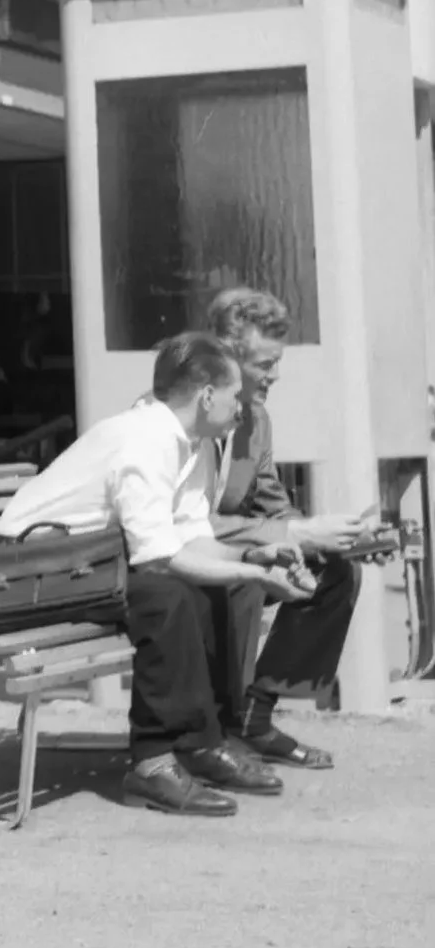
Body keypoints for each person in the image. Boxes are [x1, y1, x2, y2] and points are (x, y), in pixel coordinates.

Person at [0, 333, 317, 817]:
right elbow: (157, 559)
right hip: (22, 571)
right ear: (207, 396)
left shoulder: (190, 444)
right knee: (163, 596)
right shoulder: (145, 438)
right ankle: (153, 761)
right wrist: (253, 573)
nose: (241, 406)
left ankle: (200, 743)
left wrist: (254, 558)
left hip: (81, 564)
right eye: (234, 395)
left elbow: (191, 539)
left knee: (210, 589)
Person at [202, 288, 397, 768]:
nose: (276, 375)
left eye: (277, 362)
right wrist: (293, 537)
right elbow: (182, 523)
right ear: (227, 359)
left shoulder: (257, 421)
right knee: (248, 577)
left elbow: (273, 508)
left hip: (231, 548)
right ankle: (215, 730)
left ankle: (255, 715)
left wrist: (342, 540)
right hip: (175, 557)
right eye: (265, 364)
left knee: (334, 571)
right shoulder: (184, 416)